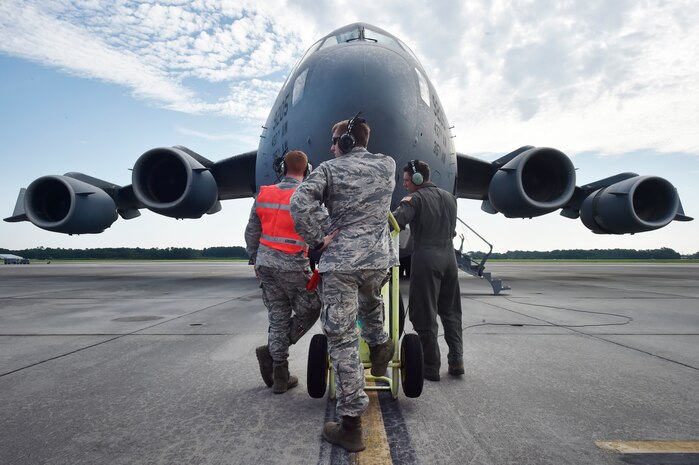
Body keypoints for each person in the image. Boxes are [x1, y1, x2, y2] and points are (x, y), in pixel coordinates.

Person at [289, 114, 397, 452]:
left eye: (334, 141)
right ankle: (380, 345)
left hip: (342, 264)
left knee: (342, 340)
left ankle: (350, 426)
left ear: (346, 143)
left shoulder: (328, 170)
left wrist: (319, 235)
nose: (330, 146)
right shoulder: (388, 165)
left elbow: (298, 202)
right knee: (372, 299)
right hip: (378, 259)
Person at [245, 150, 322, 394]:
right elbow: (321, 230)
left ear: (281, 168)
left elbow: (251, 232)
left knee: (277, 318)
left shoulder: (264, 193)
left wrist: (256, 259)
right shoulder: (306, 197)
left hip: (266, 265)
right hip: (292, 265)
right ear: (307, 170)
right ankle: (272, 352)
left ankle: (280, 374)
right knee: (312, 308)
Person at [391, 160, 464, 382]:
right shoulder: (450, 198)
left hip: (426, 258)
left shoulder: (415, 199)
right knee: (451, 313)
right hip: (450, 259)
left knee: (424, 316)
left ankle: (430, 367)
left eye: (406, 180)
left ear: (417, 179)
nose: (404, 185)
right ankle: (457, 361)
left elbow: (395, 222)